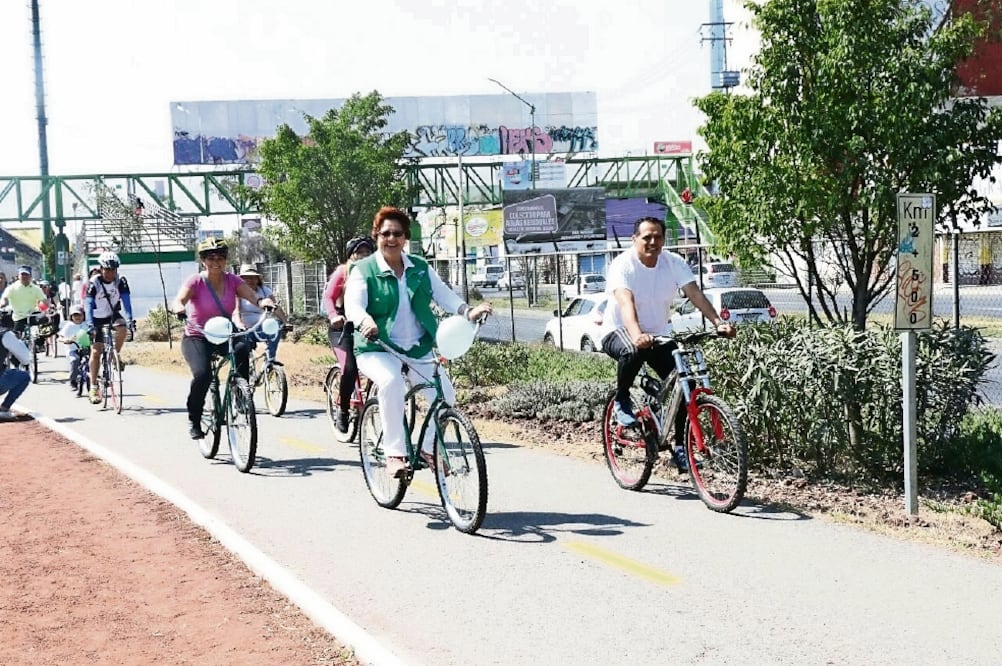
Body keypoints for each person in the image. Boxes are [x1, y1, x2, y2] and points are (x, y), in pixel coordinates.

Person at [344, 206, 493, 478]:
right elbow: (353, 304)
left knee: (446, 394)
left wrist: (467, 311)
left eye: (397, 234)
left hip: (417, 347)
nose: (391, 239)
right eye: (385, 233)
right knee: (391, 382)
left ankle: (428, 448)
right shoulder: (363, 270)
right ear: (376, 235)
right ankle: (394, 454)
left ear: (405, 237)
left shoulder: (420, 268)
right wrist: (365, 320)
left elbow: (444, 296)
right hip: (378, 347)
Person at [600, 217, 735, 465]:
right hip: (619, 330)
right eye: (647, 237)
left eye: (658, 237)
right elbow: (625, 303)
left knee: (687, 385)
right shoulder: (623, 265)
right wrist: (637, 334)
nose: (653, 242)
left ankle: (680, 447)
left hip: (658, 334)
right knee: (632, 350)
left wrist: (718, 323)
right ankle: (621, 400)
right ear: (635, 239)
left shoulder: (673, 263)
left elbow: (695, 293)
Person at [171, 238, 275, 440]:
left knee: (244, 347)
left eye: (221, 257)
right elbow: (180, 299)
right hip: (197, 335)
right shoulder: (196, 281)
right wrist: (179, 307)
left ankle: (240, 393)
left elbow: (253, 297)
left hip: (225, 333)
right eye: (211, 257)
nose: (216, 262)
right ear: (203, 261)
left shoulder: (233, 281)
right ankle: (194, 418)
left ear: (226, 260)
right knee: (203, 375)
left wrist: (264, 302)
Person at [321, 235, 375, 434]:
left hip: (367, 327)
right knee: (350, 369)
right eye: (359, 253)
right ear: (351, 255)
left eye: (367, 253)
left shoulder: (375, 272)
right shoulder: (343, 272)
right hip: (342, 329)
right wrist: (334, 316)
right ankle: (342, 409)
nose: (363, 256)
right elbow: (328, 297)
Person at [85, 251, 134, 404]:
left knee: (123, 328)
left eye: (113, 270)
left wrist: (130, 319)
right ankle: (93, 386)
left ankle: (115, 355)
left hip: (112, 314)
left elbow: (126, 302)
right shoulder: (94, 283)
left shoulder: (120, 281)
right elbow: (88, 304)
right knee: (95, 351)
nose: (110, 273)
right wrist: (90, 324)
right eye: (107, 269)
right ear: (101, 269)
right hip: (96, 317)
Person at [234, 264, 287, 363]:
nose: (251, 280)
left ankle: (270, 358)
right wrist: (239, 323)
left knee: (276, 325)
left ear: (258, 279)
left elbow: (275, 307)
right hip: (246, 328)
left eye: (254, 277)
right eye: (247, 278)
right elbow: (236, 310)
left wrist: (285, 322)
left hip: (261, 326)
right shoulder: (238, 292)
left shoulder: (264, 290)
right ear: (242, 279)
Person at [0, 308, 31, 421]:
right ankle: (3, 409)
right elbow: (26, 359)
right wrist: (19, 341)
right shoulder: (5, 334)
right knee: (24, 376)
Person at [0, 266, 48, 339]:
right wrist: (2, 304)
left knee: (38, 336)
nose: (24, 276)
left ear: (30, 276)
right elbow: (4, 298)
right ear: (18, 276)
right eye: (22, 274)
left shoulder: (36, 288)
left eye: (26, 274)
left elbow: (44, 301)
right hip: (18, 317)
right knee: (17, 340)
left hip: (32, 315)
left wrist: (45, 307)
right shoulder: (12, 287)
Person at [58, 304, 89, 390]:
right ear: (71, 316)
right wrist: (65, 340)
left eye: (79, 315)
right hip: (73, 349)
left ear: (84, 315)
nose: (77, 317)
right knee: (75, 361)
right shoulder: (69, 325)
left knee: (92, 361)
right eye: (75, 315)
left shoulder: (85, 324)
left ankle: (94, 380)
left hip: (85, 347)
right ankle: (73, 381)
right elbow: (60, 337)